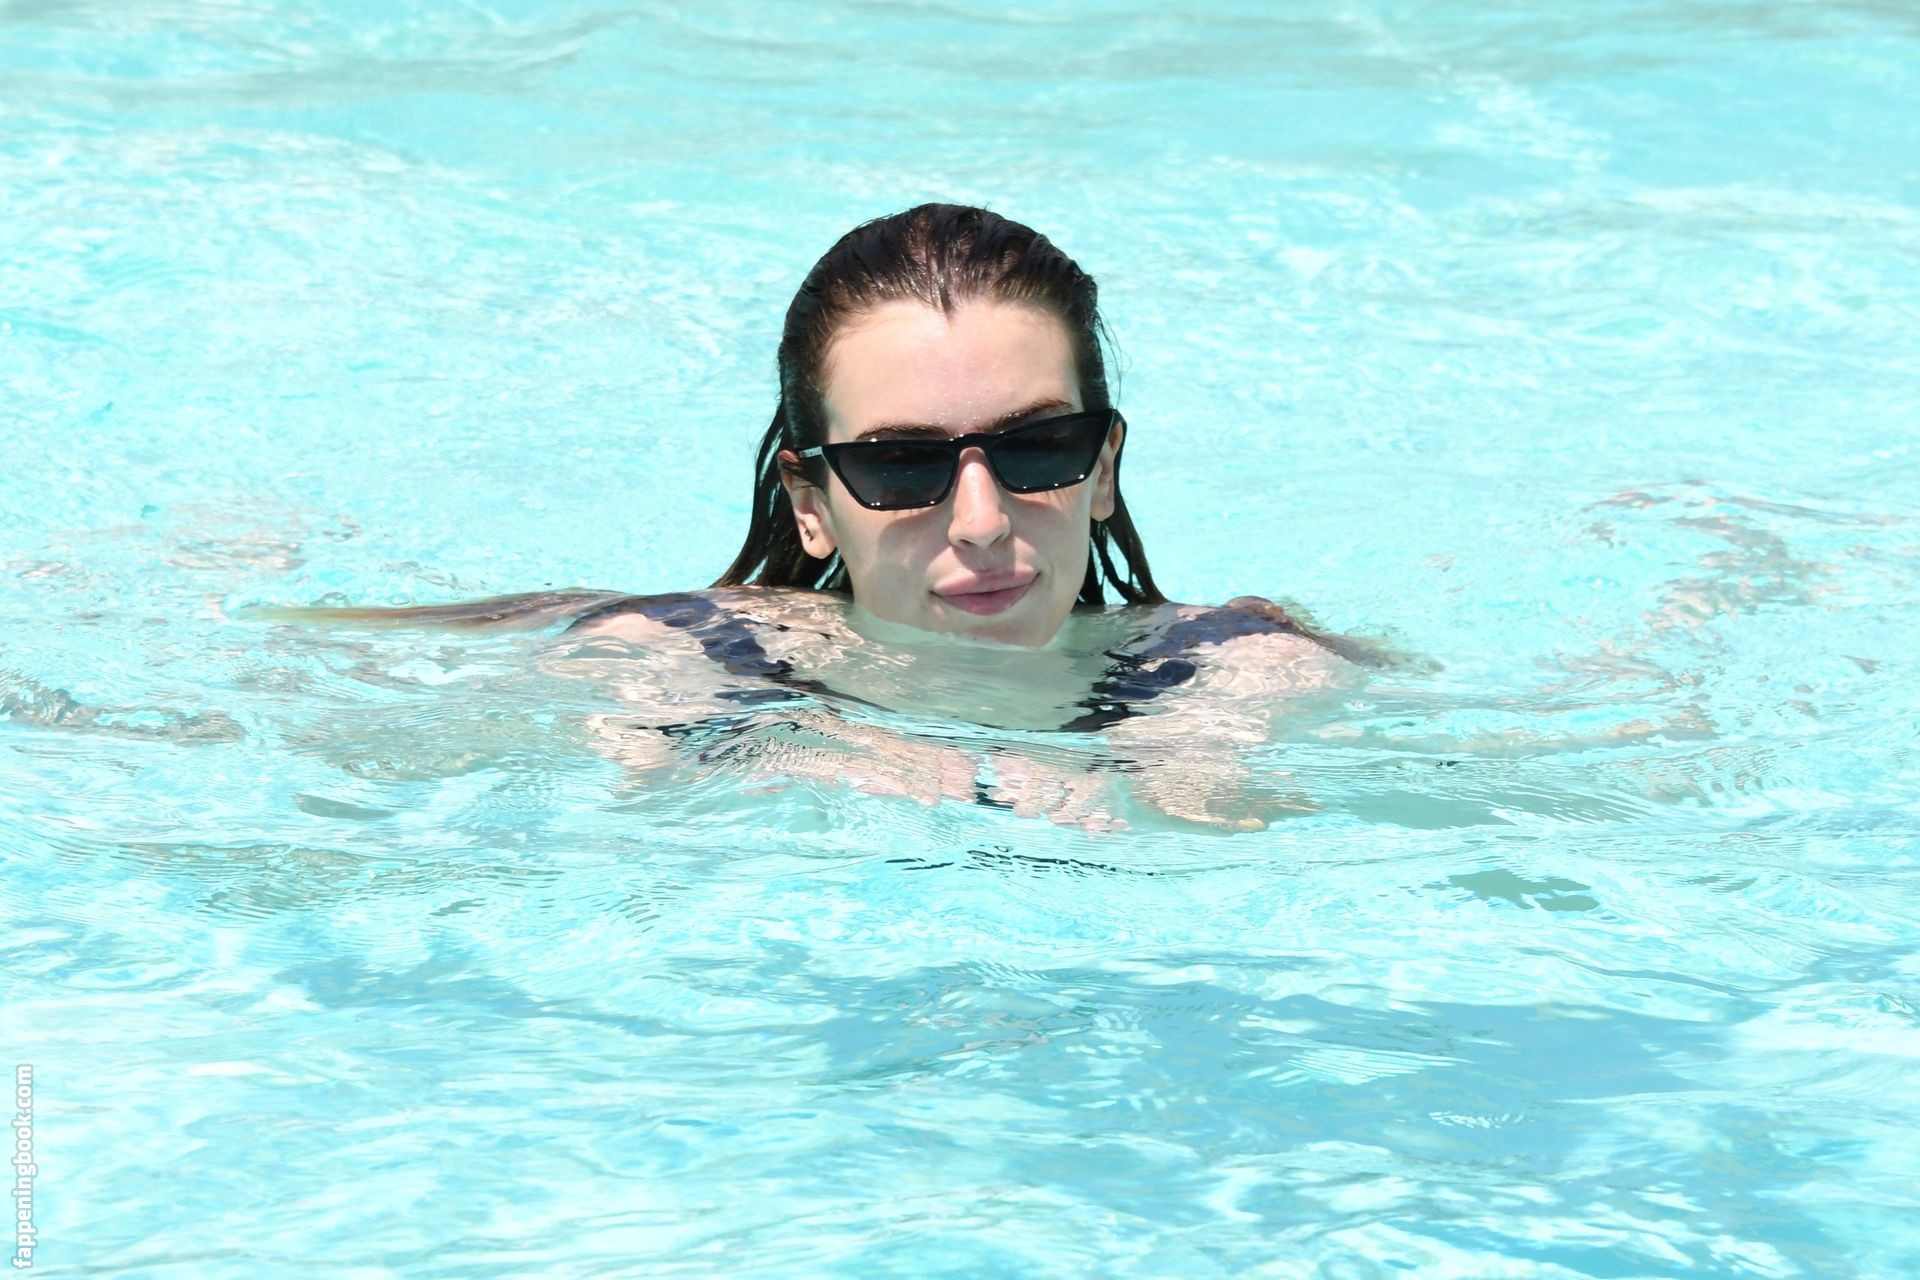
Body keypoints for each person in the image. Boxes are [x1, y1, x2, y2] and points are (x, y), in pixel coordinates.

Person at [549, 204, 1382, 828]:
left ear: (1103, 470)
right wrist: (762, 750)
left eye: (1039, 447)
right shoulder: (682, 659)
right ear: (813, 506)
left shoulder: (1229, 669)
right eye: (901, 463)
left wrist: (1184, 773)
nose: (981, 523)